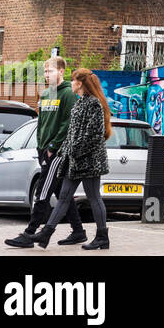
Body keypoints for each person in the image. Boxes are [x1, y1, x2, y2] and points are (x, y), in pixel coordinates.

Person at [5, 57, 87, 248]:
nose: (46, 75)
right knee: (60, 192)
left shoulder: (68, 94)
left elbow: (68, 124)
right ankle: (78, 231)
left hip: (56, 152)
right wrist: (40, 145)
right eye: (45, 71)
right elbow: (41, 123)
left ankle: (29, 233)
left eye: (50, 71)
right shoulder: (45, 94)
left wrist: (53, 147)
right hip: (44, 150)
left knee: (42, 190)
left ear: (60, 71)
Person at [31, 68, 112, 250]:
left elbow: (93, 135)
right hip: (74, 161)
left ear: (80, 83)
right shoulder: (79, 103)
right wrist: (64, 153)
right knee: (64, 198)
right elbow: (71, 134)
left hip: (90, 162)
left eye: (73, 80)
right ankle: (46, 233)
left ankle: (102, 237)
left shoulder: (94, 104)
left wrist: (73, 151)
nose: (71, 83)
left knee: (94, 198)